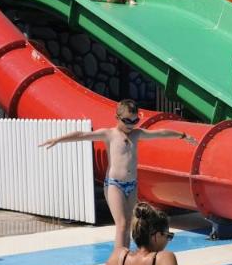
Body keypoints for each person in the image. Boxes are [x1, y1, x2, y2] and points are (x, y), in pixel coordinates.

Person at [40, 99, 196, 250]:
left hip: (132, 185)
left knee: (128, 224)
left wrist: (182, 135)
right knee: (121, 224)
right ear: (117, 117)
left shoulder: (136, 134)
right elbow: (81, 135)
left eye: (135, 121)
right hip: (115, 185)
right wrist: (58, 139)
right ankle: (119, 258)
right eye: (127, 121)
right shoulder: (109, 134)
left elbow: (160, 133)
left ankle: (124, 255)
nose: (131, 125)